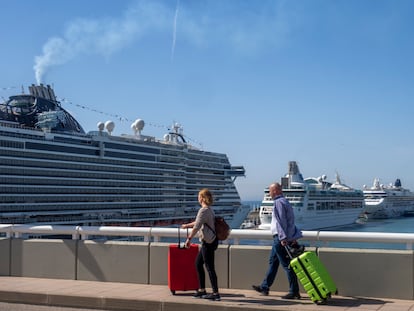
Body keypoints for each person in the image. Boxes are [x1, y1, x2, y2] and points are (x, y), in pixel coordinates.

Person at [252, 182, 303, 299]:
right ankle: (265, 287)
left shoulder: (278, 202)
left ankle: (294, 291)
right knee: (273, 262)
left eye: (270, 191)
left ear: (275, 191)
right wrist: (293, 237)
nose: (269, 193)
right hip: (283, 237)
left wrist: (283, 238)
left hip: (280, 238)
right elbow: (291, 222)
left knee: (287, 265)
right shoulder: (285, 201)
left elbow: (281, 222)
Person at [181, 188, 220, 301]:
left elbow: (197, 226)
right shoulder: (209, 210)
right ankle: (202, 289)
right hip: (210, 241)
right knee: (198, 264)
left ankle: (215, 293)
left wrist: (189, 239)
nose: (197, 198)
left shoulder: (203, 210)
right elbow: (198, 222)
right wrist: (187, 225)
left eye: (199, 196)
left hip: (207, 242)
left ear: (202, 198)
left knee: (209, 267)